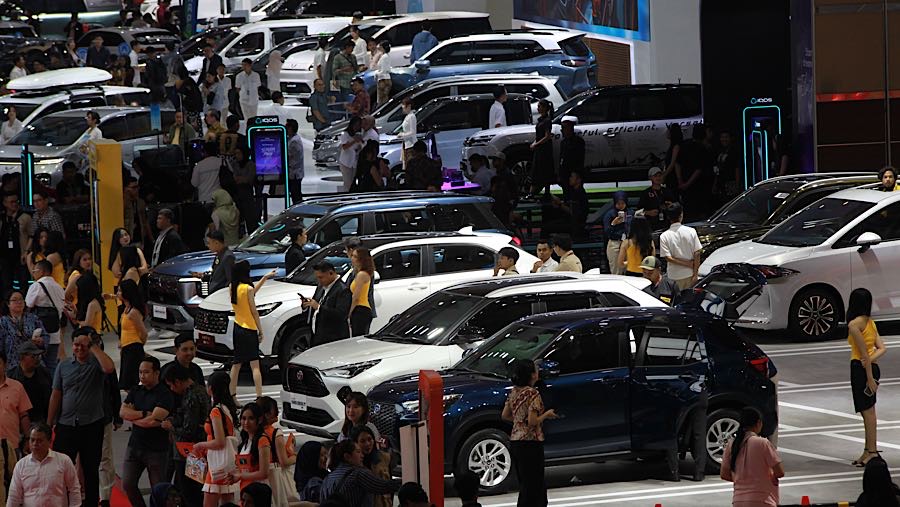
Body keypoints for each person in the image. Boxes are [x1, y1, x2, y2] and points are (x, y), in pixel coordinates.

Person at [48, 327, 116, 507]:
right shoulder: (63, 366)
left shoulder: (96, 365)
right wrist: (49, 423)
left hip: (91, 425)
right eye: (76, 345)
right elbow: (56, 395)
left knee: (91, 469)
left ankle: (92, 503)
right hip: (66, 424)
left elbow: (109, 368)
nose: (79, 349)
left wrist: (93, 345)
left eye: (83, 346)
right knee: (61, 468)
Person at [120, 355, 175, 507]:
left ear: (156, 373)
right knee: (127, 484)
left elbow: (152, 422)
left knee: (158, 490)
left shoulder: (164, 394)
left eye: (146, 372)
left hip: (157, 450)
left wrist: (134, 418)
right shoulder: (136, 390)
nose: (142, 376)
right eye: (140, 372)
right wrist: (144, 414)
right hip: (135, 446)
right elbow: (122, 412)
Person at [502, 358, 556, 507]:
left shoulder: (514, 392)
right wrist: (547, 415)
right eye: (536, 370)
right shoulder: (533, 394)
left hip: (516, 440)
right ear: (532, 375)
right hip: (531, 442)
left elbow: (505, 415)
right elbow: (533, 421)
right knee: (536, 483)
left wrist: (519, 420)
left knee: (525, 483)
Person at [846, 288, 887, 467]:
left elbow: (863, 355)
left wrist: (869, 375)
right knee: (868, 412)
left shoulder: (854, 325)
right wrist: (870, 361)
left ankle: (872, 452)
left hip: (862, 370)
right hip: (869, 368)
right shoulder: (870, 323)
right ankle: (868, 450)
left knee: (868, 413)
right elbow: (882, 348)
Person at [162, 364, 210, 507]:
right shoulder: (201, 390)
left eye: (171, 385)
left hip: (188, 452)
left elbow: (189, 430)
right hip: (199, 451)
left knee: (189, 494)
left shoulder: (191, 397)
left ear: (177, 381)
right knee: (196, 492)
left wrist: (171, 427)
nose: (172, 389)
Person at [193, 371, 241, 504]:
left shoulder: (216, 411)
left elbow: (219, 441)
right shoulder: (227, 409)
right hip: (227, 462)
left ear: (211, 388)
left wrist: (201, 445)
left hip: (217, 463)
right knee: (227, 500)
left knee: (209, 500)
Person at [229, 261, 276, 398]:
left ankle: (232, 395)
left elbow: (251, 293)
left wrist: (265, 278)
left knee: (236, 363)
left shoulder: (232, 287)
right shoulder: (247, 288)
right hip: (249, 329)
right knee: (254, 365)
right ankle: (259, 396)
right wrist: (260, 330)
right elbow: (254, 311)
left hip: (237, 327)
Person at [720, 407, 783, 507]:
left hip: (738, 501)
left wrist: (741, 480)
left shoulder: (732, 444)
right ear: (758, 423)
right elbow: (779, 472)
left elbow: (724, 474)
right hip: (763, 500)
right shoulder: (762, 443)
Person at [7, 423, 80, 507]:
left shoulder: (63, 461)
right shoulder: (21, 465)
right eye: (32, 440)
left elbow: (74, 489)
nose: (35, 444)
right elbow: (14, 496)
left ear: (49, 442)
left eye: (39, 440)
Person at [320, 439, 401, 506]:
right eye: (358, 452)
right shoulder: (358, 474)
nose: (362, 455)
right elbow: (384, 486)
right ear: (347, 457)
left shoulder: (328, 478)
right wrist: (405, 480)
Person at [25, 260, 64, 372]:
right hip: (55, 332)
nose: (33, 273)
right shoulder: (59, 287)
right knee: (52, 365)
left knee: (38, 366)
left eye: (34, 270)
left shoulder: (36, 286)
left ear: (41, 271)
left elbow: (28, 305)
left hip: (39, 335)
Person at [304, 261, 351, 347]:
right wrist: (307, 304)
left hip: (333, 338)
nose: (319, 280)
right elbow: (315, 303)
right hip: (318, 335)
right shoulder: (320, 286)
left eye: (321, 277)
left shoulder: (343, 290)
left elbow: (341, 315)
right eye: (317, 278)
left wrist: (318, 307)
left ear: (331, 273)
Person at [228, 402, 271, 492]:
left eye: (251, 418)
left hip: (258, 491)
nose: (246, 422)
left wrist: (240, 476)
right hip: (245, 489)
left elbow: (264, 473)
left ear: (259, 420)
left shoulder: (262, 440)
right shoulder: (245, 441)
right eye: (243, 418)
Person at [0, 291, 48, 373]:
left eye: (21, 299)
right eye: (14, 300)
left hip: (34, 361)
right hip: (13, 364)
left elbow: (45, 335)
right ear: (8, 304)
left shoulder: (33, 318)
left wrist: (41, 341)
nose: (19, 302)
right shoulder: (3, 322)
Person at [658, 202, 702, 290]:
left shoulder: (664, 236)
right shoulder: (691, 231)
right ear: (681, 215)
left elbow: (668, 258)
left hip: (673, 276)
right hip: (689, 274)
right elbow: (697, 253)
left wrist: (686, 264)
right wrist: (695, 274)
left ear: (669, 217)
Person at [8, 343, 52, 424]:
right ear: (22, 357)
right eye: (33, 356)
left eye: (38, 356)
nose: (37, 359)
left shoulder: (44, 373)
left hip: (41, 419)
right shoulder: (11, 377)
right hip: (19, 422)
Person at [118, 279, 148, 391]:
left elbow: (143, 333)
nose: (118, 293)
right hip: (126, 348)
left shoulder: (133, 312)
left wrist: (139, 346)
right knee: (126, 383)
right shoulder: (126, 309)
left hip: (133, 348)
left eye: (120, 291)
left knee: (130, 382)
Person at [351, 425, 392, 507]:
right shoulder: (353, 463)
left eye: (370, 439)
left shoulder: (384, 457)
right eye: (362, 441)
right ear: (355, 443)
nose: (367, 444)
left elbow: (389, 485)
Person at [0, 351, 32, 446]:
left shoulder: (17, 387)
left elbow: (24, 416)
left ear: (5, 365)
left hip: (12, 444)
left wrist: (28, 439)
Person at [0, 193, 30, 294]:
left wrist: (26, 251)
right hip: (4, 255)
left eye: (16, 202)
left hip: (20, 254)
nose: (14, 204)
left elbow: (32, 235)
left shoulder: (25, 217)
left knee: (23, 281)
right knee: (6, 282)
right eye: (11, 202)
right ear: (5, 203)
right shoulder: (2, 218)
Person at [195, 229, 235, 295]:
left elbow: (230, 280)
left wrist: (223, 295)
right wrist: (203, 276)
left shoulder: (228, 257)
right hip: (214, 293)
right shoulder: (219, 255)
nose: (207, 245)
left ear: (216, 243)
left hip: (220, 296)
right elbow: (217, 276)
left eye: (209, 243)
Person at [529, 99, 554, 197]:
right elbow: (539, 136)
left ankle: (543, 192)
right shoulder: (541, 120)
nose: (538, 108)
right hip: (540, 147)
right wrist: (534, 143)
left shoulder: (547, 120)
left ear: (544, 108)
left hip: (545, 149)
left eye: (539, 106)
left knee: (544, 169)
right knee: (537, 169)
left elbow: (547, 136)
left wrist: (536, 144)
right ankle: (532, 192)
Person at [602, 191, 631, 275]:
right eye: (618, 203)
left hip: (627, 243)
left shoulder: (630, 213)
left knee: (628, 269)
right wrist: (613, 224)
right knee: (616, 269)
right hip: (615, 243)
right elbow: (607, 231)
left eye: (623, 203)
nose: (620, 205)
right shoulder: (609, 214)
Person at [638, 166, 675, 231]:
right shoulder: (645, 193)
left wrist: (670, 206)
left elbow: (676, 207)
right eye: (655, 176)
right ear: (650, 178)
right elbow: (637, 213)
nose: (658, 178)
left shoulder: (667, 191)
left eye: (660, 175)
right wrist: (648, 212)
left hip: (667, 225)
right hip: (651, 226)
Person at [349, 247, 375, 336]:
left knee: (358, 338)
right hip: (361, 310)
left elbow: (356, 298)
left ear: (361, 259)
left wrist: (348, 313)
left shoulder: (362, 275)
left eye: (355, 256)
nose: (352, 258)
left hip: (361, 310)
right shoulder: (360, 273)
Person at [557, 116, 584, 197]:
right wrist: (560, 173)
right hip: (565, 173)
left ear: (570, 128)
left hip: (574, 173)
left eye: (564, 128)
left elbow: (580, 158)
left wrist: (576, 173)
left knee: (576, 194)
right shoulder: (563, 142)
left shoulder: (578, 142)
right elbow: (561, 158)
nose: (562, 130)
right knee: (566, 195)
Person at [123, 178, 153, 247]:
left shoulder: (140, 202)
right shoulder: (123, 202)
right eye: (134, 187)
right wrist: (126, 196)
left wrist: (151, 238)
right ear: (126, 189)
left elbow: (145, 221)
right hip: (127, 238)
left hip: (138, 239)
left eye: (137, 187)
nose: (137, 190)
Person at [339, 116, 365, 192]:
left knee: (353, 182)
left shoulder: (360, 134)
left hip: (354, 162)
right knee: (348, 183)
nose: (357, 127)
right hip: (346, 162)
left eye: (358, 125)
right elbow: (344, 147)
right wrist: (354, 140)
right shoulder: (345, 134)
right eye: (355, 125)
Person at [661, 124, 684, 201]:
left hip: (673, 178)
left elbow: (673, 163)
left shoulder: (676, 146)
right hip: (670, 177)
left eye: (668, 131)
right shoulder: (672, 146)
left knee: (674, 198)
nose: (667, 132)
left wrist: (664, 175)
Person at [286, 119, 304, 205]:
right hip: (293, 173)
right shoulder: (291, 139)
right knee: (295, 195)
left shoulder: (294, 141)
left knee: (296, 195)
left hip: (295, 173)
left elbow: (291, 156)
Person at [397, 97, 417, 170]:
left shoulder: (412, 116)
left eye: (404, 106)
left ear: (409, 106)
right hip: (406, 145)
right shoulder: (408, 116)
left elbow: (413, 132)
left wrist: (402, 134)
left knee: (410, 167)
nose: (403, 108)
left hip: (411, 146)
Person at [374, 41, 392, 106]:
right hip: (385, 78)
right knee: (384, 99)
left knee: (381, 100)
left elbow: (384, 70)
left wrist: (376, 73)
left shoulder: (384, 57)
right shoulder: (385, 56)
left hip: (383, 79)